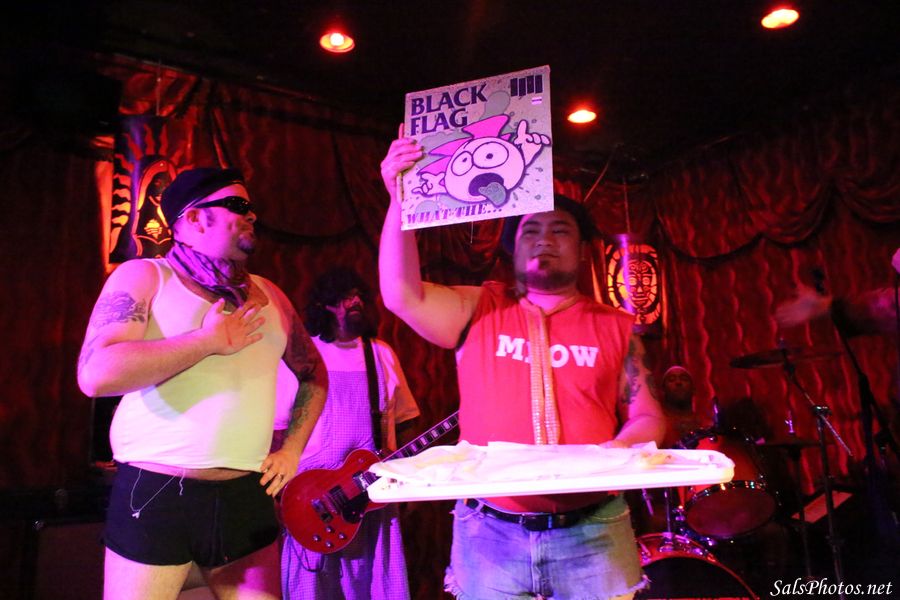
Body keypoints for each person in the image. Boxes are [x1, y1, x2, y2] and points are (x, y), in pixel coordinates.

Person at [378, 134, 665, 600]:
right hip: (489, 532)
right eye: (531, 230)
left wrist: (617, 451)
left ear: (583, 249)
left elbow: (648, 415)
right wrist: (400, 198)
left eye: (560, 230)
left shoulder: (615, 326)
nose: (544, 239)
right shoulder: (480, 307)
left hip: (595, 527)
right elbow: (401, 295)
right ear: (513, 248)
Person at [77, 167, 328, 600]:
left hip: (244, 492)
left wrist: (292, 450)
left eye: (250, 206)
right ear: (194, 217)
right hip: (157, 490)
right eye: (237, 205)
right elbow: (96, 373)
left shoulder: (271, 294)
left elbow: (314, 375)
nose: (252, 215)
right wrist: (206, 342)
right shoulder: (146, 276)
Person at [280, 267, 419, 599]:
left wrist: (407, 479)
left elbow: (405, 421)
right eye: (345, 296)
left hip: (372, 495)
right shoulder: (304, 356)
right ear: (325, 305)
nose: (355, 302)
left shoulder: (380, 354)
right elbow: (279, 429)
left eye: (359, 295)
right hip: (315, 498)